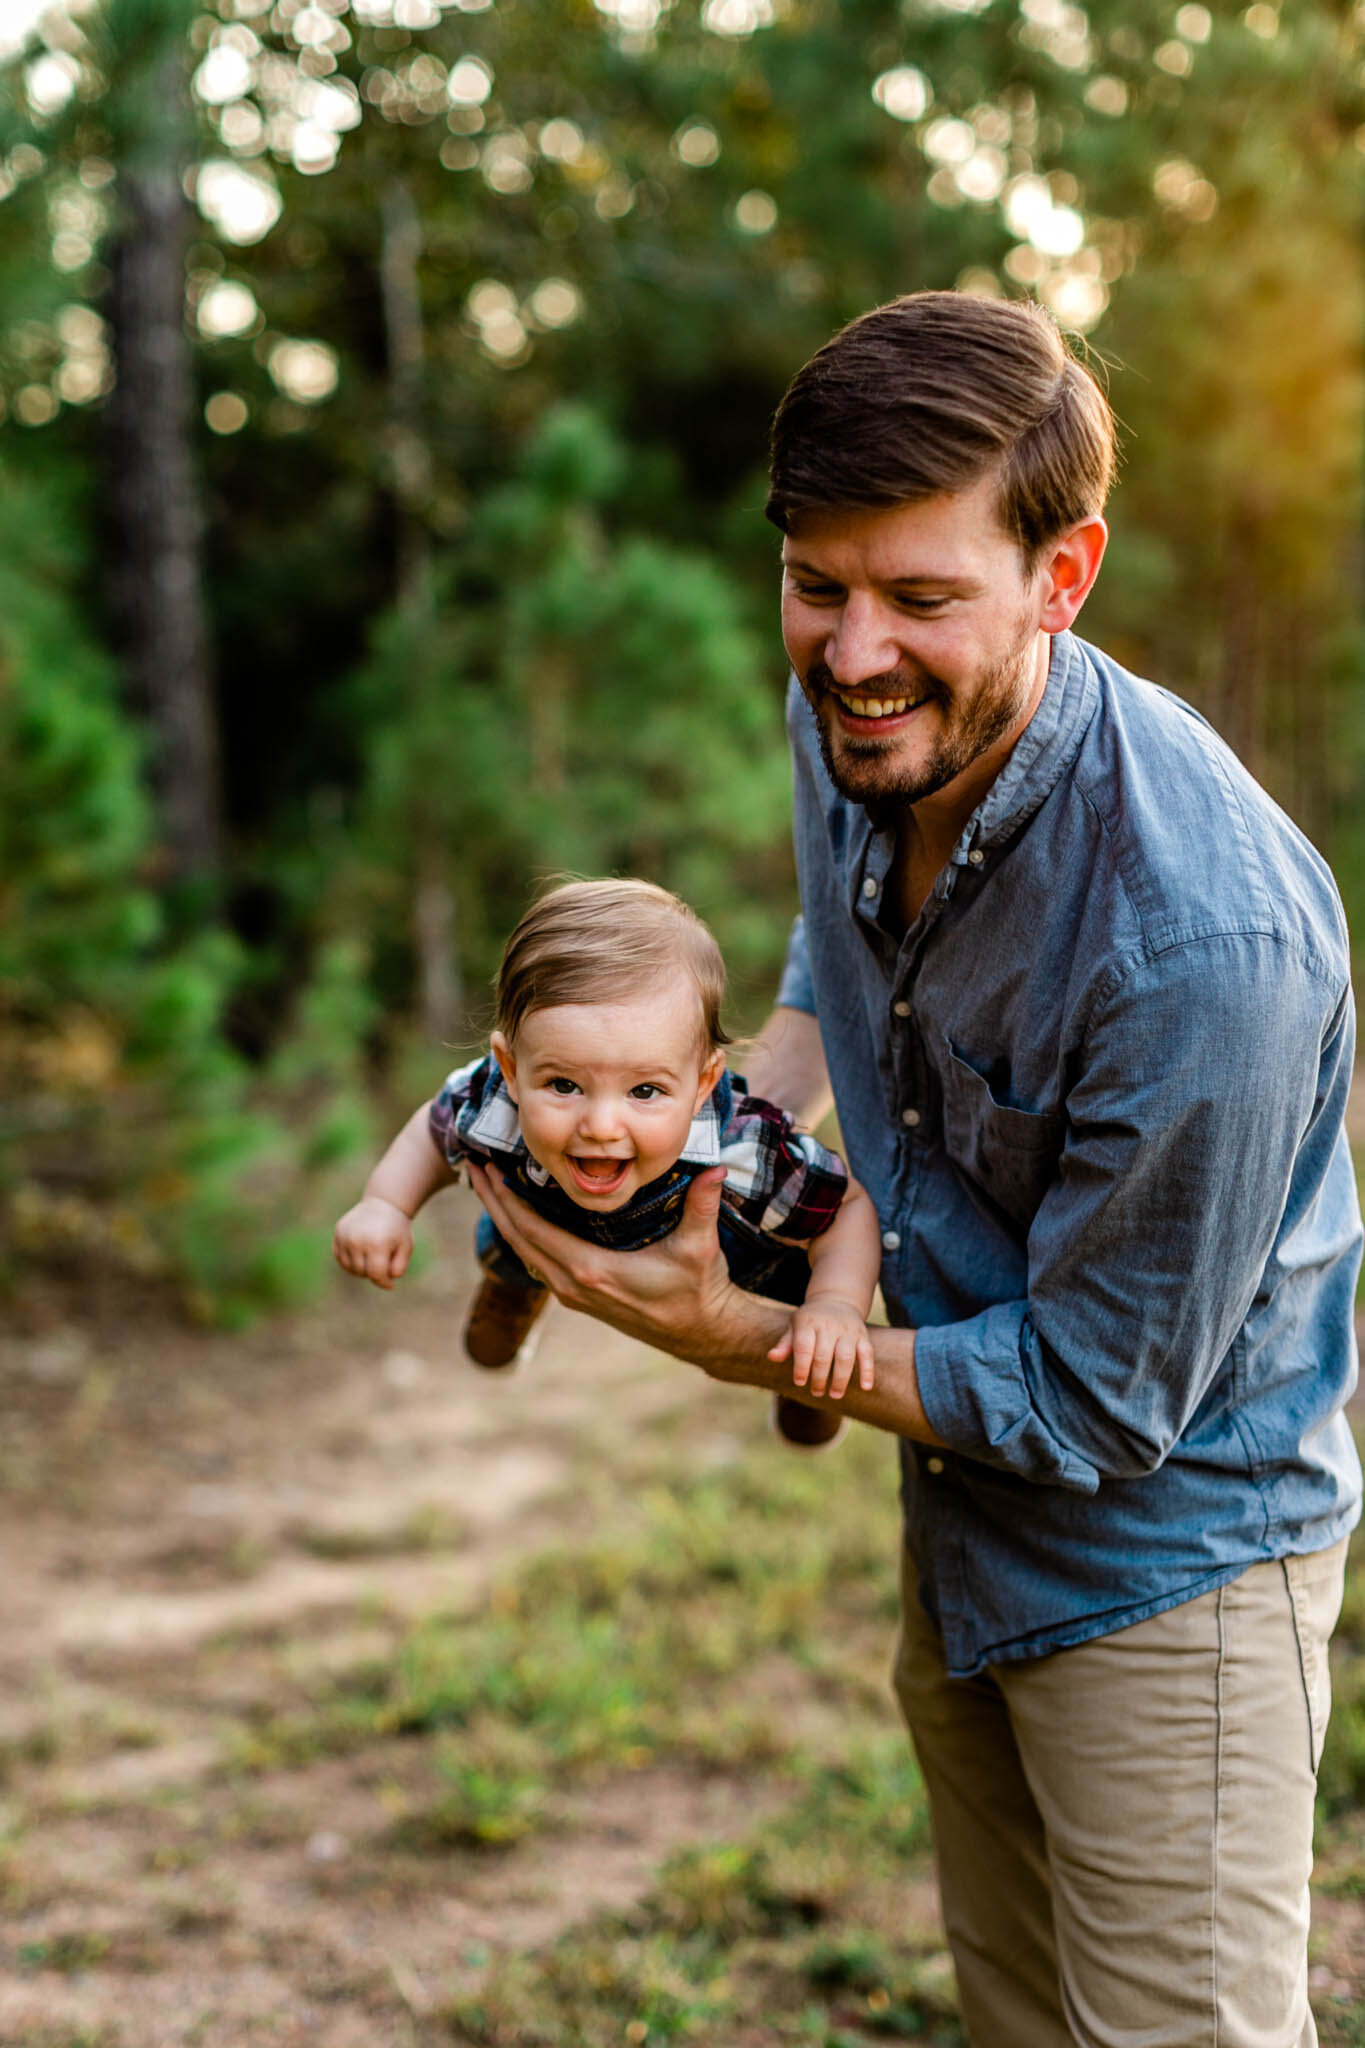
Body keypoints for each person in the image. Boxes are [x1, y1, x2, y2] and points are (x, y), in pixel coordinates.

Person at [471, 292, 1363, 2046]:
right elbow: (843, 928)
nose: (854, 651)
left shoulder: (1205, 945)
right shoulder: (864, 717)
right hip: (954, 1492)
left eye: (922, 598)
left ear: (1065, 573)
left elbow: (1105, 1400)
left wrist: (746, 1337)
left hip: (1170, 1552)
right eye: (818, 584)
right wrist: (738, 1110)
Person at [332, 877, 882, 1448]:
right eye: (564, 1084)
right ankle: (513, 1281)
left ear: (703, 1083)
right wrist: (386, 1204)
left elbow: (845, 1209)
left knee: (799, 1320)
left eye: (644, 1091)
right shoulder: (494, 1098)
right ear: (512, 1067)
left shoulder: (744, 1143)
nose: (599, 1126)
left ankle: (808, 1378)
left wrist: (835, 1306)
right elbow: (434, 1127)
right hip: (544, 1219)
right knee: (515, 1214)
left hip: (745, 1271)